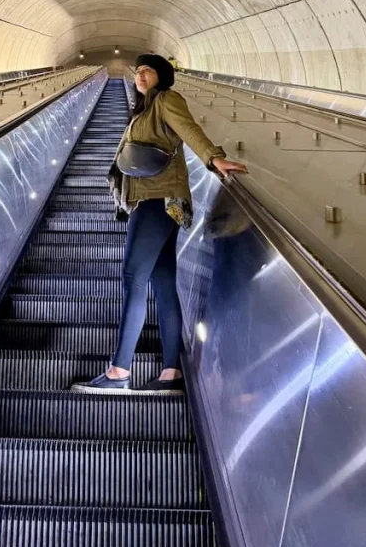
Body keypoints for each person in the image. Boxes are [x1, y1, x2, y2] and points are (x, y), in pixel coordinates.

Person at [72, 53, 247, 394]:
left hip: (159, 200)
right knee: (163, 283)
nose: (141, 74)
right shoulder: (144, 107)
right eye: (139, 70)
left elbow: (189, 129)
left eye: (149, 70)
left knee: (132, 277)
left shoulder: (167, 99)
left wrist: (213, 158)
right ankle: (171, 373)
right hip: (154, 200)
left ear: (162, 76)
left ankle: (119, 371)